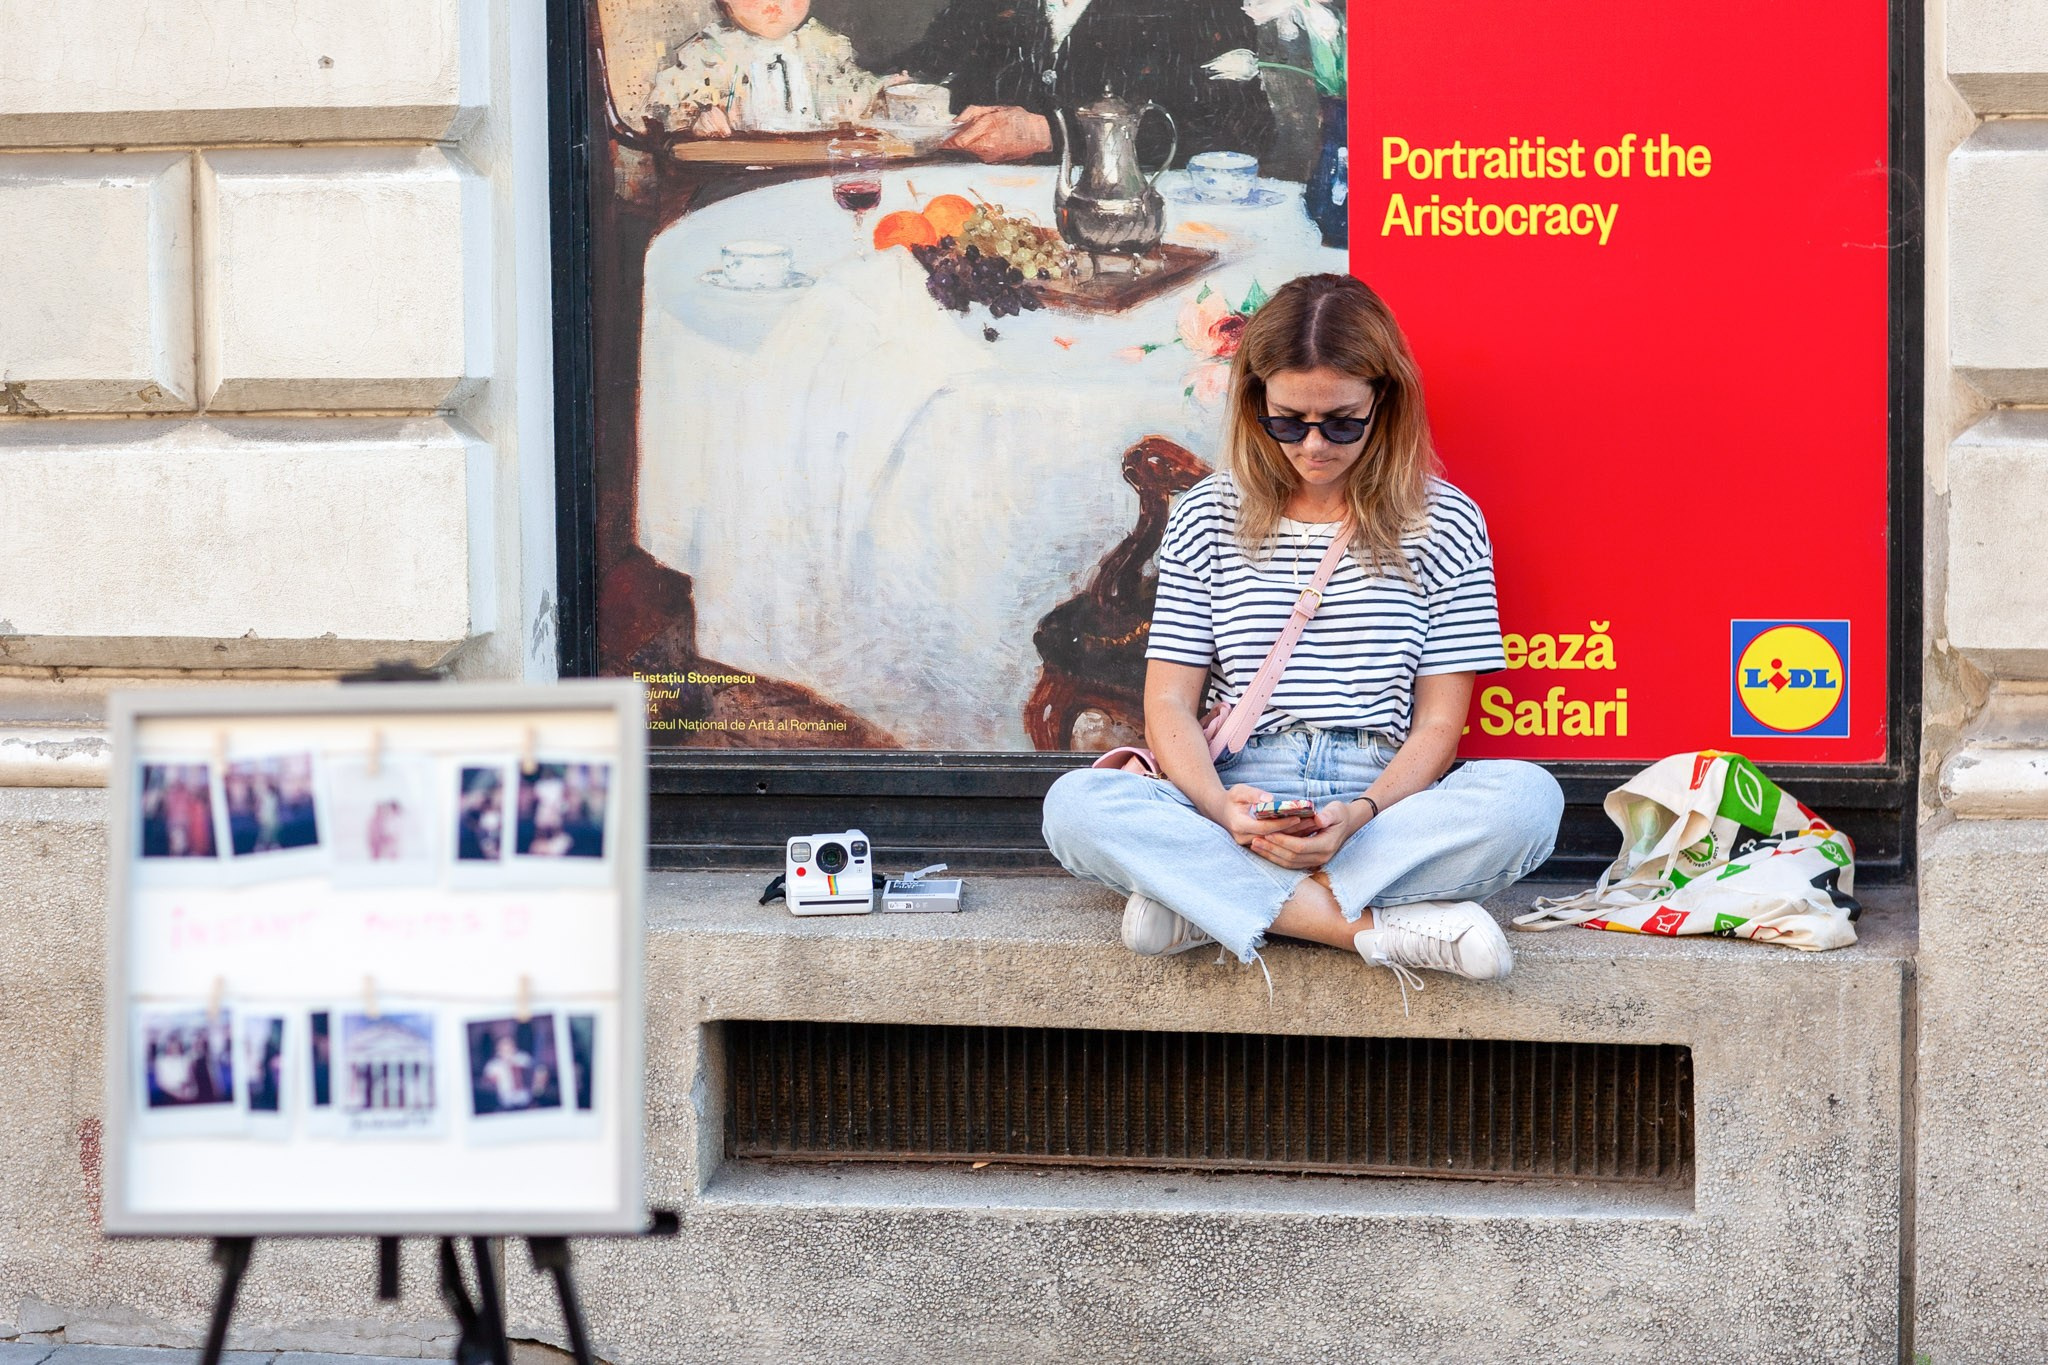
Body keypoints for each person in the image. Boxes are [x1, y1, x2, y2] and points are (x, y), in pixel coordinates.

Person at [1041, 273, 1563, 1003]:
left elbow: (1442, 723)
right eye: (1290, 420)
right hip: (1237, 791)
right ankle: (1366, 927)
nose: (1314, 445)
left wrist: (1362, 814)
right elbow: (1168, 705)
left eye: (1342, 422)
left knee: (1529, 800)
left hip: (1379, 798)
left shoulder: (1445, 520)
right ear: (1256, 403)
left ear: (1386, 400)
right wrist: (1224, 813)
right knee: (1075, 805)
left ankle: (1207, 903)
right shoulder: (1206, 516)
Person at [890, 0, 1274, 165]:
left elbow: (1237, 128)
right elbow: (933, 60)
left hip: (1148, 226)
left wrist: (1051, 134)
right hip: (993, 208)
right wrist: (876, 85)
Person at [648, 0, 890, 137]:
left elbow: (851, 91)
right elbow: (665, 105)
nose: (774, 5)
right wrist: (698, 118)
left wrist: (883, 92)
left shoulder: (822, 47)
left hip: (816, 164)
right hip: (743, 172)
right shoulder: (711, 53)